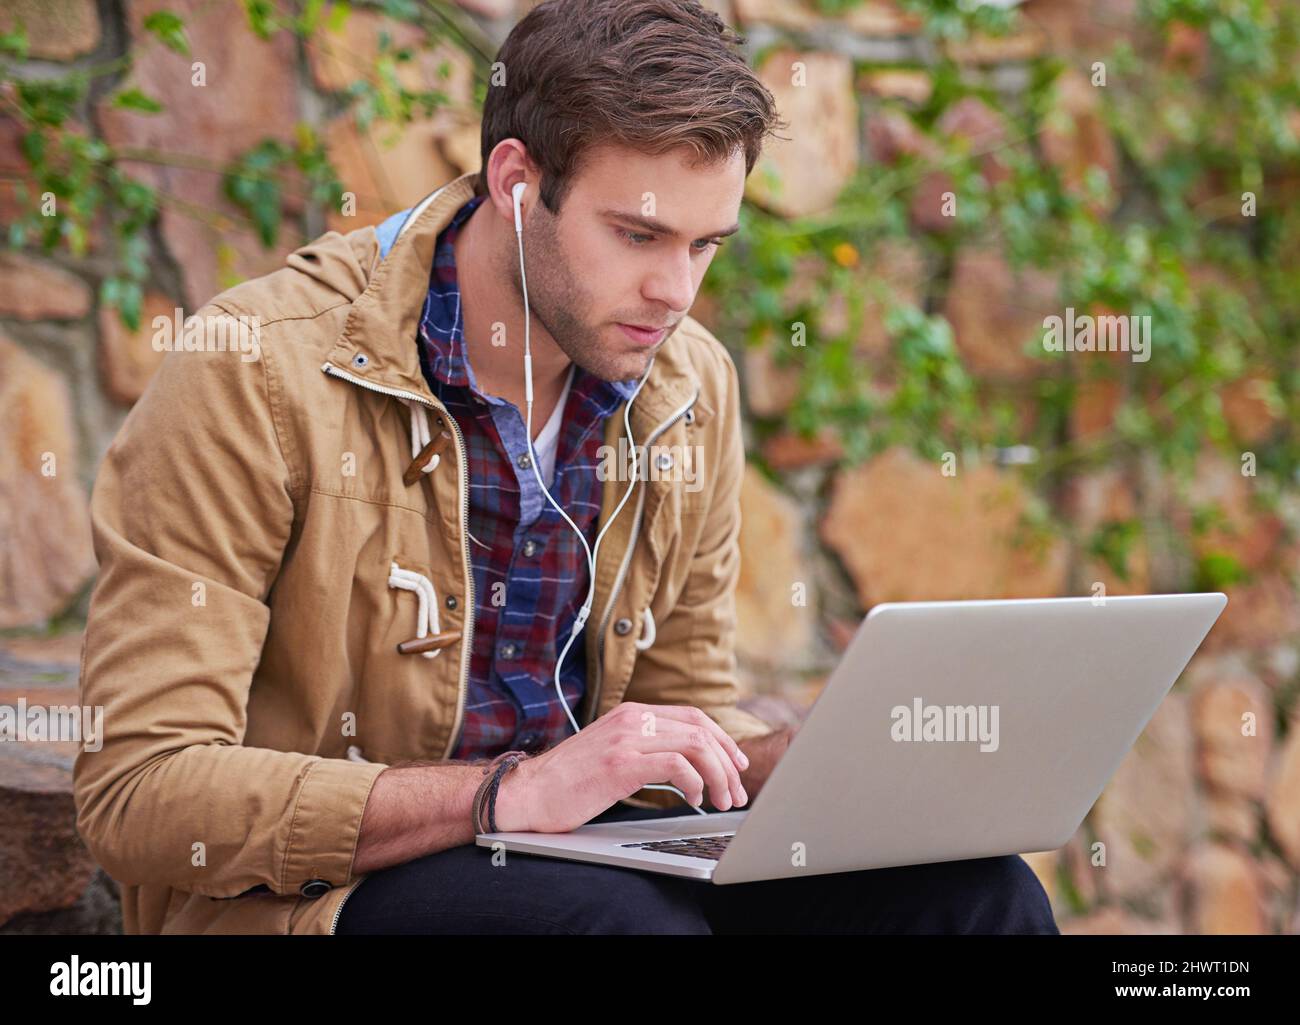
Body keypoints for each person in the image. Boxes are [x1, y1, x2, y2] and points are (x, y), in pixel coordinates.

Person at [73, 0, 1058, 935]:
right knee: (615, 923)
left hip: (598, 866)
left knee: (973, 896)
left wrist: (772, 764)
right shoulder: (255, 367)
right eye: (636, 235)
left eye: (705, 244)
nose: (674, 290)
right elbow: (141, 791)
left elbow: (682, 701)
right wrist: (506, 794)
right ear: (515, 181)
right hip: (326, 894)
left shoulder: (684, 386)